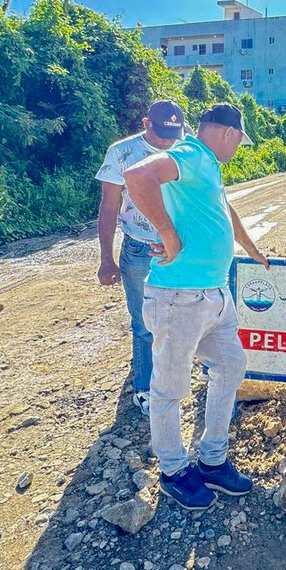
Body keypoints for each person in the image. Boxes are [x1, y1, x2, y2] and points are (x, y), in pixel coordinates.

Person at [123, 103, 269, 513]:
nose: (240, 147)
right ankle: (172, 472)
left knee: (230, 366)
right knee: (169, 388)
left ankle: (212, 460)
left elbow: (227, 211)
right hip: (180, 296)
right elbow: (138, 176)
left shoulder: (208, 167)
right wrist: (168, 234)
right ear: (228, 133)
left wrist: (251, 249)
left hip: (215, 296)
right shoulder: (189, 154)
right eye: (241, 140)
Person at [96, 100, 187, 415]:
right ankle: (145, 388)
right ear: (146, 123)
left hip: (177, 248)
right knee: (144, 323)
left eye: (172, 133)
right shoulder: (122, 153)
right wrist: (106, 259)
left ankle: (166, 372)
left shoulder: (184, 148)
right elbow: (109, 206)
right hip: (138, 248)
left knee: (177, 315)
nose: (166, 140)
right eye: (161, 132)